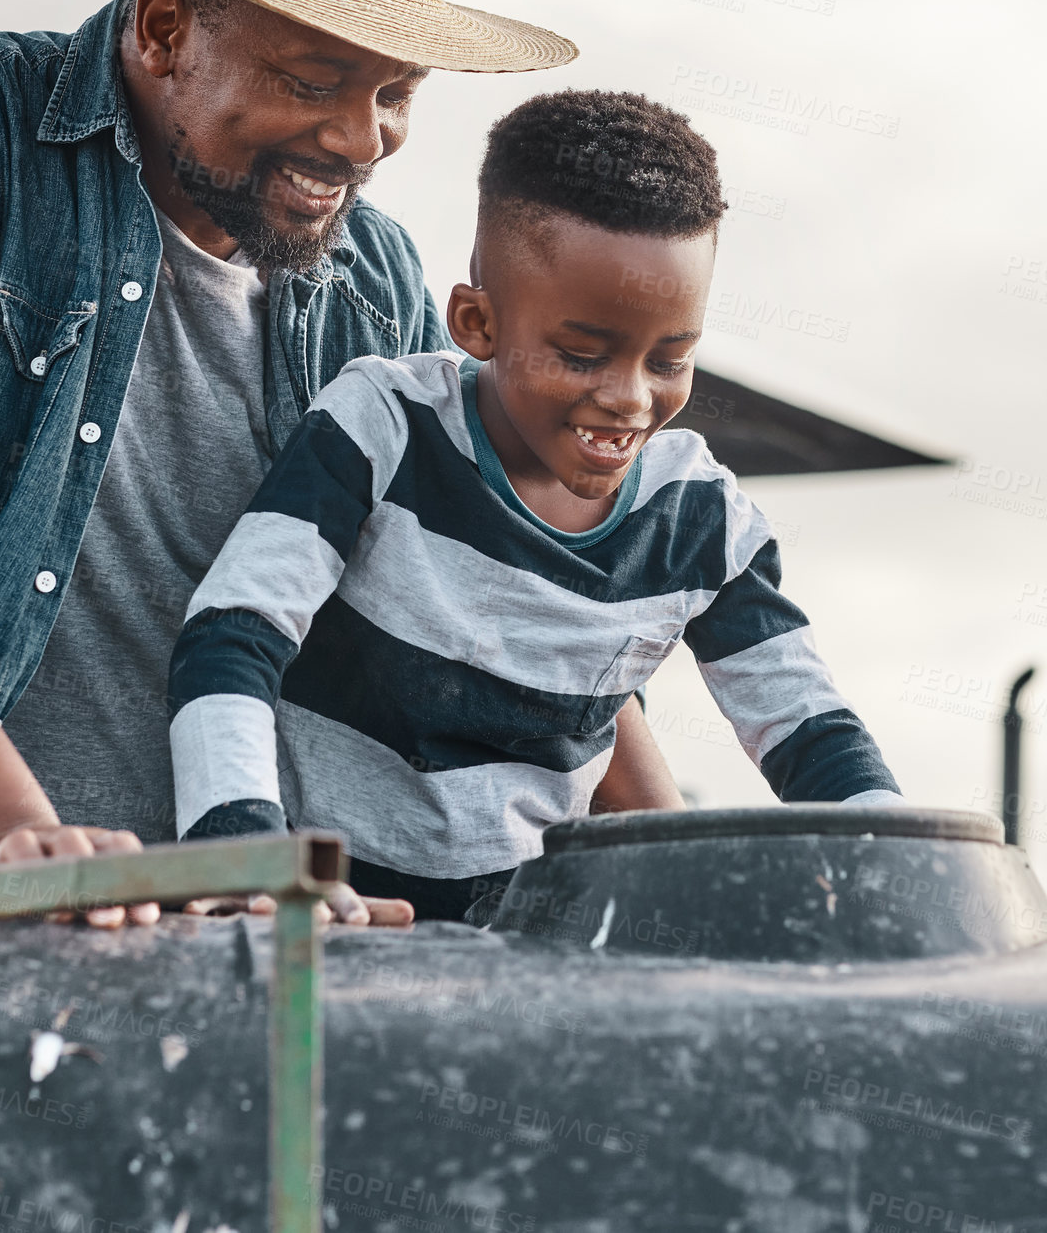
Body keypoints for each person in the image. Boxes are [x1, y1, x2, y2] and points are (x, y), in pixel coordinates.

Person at [0, 0, 638, 949]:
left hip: (247, 973)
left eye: (396, 92)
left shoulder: (379, 281)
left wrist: (680, 864)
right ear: (160, 29)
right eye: (313, 82)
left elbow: (500, 583)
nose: (360, 139)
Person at [166, 90, 902, 921]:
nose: (628, 398)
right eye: (582, 355)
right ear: (477, 323)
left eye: (670, 360)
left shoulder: (699, 518)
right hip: (335, 919)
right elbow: (233, 633)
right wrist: (241, 851)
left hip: (534, 940)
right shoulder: (382, 426)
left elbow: (806, 726)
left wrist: (898, 872)